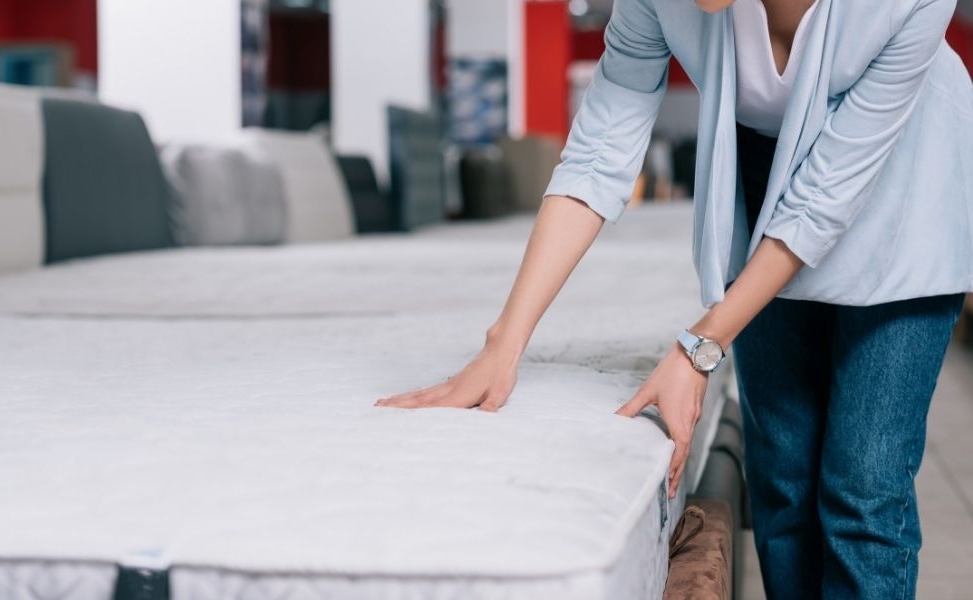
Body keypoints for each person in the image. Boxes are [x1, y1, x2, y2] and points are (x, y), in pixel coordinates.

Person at [377, 0, 972, 597]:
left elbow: (822, 200)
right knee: (783, 477)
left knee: (862, 489)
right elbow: (597, 153)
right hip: (765, 176)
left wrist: (699, 347)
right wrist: (504, 342)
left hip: (906, 182)